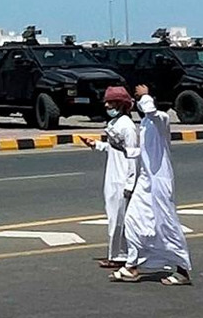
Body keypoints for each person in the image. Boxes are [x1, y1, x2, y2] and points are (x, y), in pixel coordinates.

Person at [108, 84, 192, 286]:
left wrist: (145, 95)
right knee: (134, 221)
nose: (137, 103)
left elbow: (151, 111)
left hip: (160, 182)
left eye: (140, 100)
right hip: (146, 181)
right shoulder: (145, 124)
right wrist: (111, 146)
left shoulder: (161, 119)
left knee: (166, 225)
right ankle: (132, 266)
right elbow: (141, 153)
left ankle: (182, 270)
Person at [81, 86, 139, 269]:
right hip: (112, 176)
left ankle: (120, 256)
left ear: (121, 104)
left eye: (111, 102)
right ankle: (118, 254)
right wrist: (97, 145)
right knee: (114, 216)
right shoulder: (114, 124)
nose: (107, 105)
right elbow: (114, 149)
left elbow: (133, 156)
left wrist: (130, 183)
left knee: (119, 218)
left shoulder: (128, 127)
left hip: (122, 178)